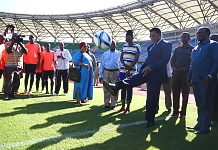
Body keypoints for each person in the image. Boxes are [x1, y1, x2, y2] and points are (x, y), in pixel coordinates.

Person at [103, 28, 172, 127]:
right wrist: (143, 68)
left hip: (156, 75)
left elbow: (164, 60)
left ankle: (150, 120)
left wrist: (150, 68)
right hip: (147, 71)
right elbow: (148, 60)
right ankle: (115, 87)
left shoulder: (166, 45)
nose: (152, 38)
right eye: (150, 36)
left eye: (153, 36)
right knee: (133, 79)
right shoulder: (151, 46)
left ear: (159, 35)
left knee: (151, 98)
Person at [187, 27, 218, 135]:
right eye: (197, 33)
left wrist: (210, 76)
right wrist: (189, 77)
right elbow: (192, 64)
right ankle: (199, 124)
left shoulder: (213, 45)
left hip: (206, 80)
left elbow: (216, 62)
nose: (198, 34)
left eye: (201, 33)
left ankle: (205, 128)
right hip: (196, 80)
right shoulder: (195, 48)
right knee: (200, 104)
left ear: (208, 33)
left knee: (206, 104)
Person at [170, 32, 193, 119]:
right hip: (176, 75)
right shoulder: (177, 49)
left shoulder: (192, 49)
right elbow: (172, 61)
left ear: (189, 38)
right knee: (175, 94)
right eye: (182, 37)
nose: (183, 39)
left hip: (186, 76)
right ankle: (175, 111)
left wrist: (185, 69)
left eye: (185, 37)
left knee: (185, 95)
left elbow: (192, 62)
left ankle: (183, 113)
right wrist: (174, 68)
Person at [118, 30, 141, 114]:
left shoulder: (137, 47)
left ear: (132, 38)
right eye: (126, 39)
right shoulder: (124, 46)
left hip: (131, 71)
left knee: (129, 88)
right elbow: (121, 57)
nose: (127, 41)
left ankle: (128, 107)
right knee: (122, 88)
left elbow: (136, 59)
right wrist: (124, 64)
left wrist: (129, 68)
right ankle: (122, 106)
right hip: (123, 70)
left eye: (129, 39)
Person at [4, 27, 27, 100]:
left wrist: (20, 43)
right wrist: (12, 43)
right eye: (15, 37)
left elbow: (26, 52)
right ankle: (6, 94)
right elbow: (8, 51)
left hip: (18, 65)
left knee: (16, 80)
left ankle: (12, 93)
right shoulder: (8, 43)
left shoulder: (21, 45)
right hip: (9, 65)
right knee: (9, 80)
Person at [99, 41, 121, 109]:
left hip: (115, 72)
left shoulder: (119, 54)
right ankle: (106, 103)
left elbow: (121, 64)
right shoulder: (105, 54)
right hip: (106, 71)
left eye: (113, 44)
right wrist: (100, 75)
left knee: (114, 88)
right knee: (106, 88)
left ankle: (113, 104)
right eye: (111, 44)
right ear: (109, 45)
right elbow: (102, 65)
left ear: (115, 45)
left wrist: (120, 75)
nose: (112, 46)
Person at [209, 34, 218, 126]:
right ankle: (213, 117)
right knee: (213, 99)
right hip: (212, 79)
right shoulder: (210, 51)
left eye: (214, 40)